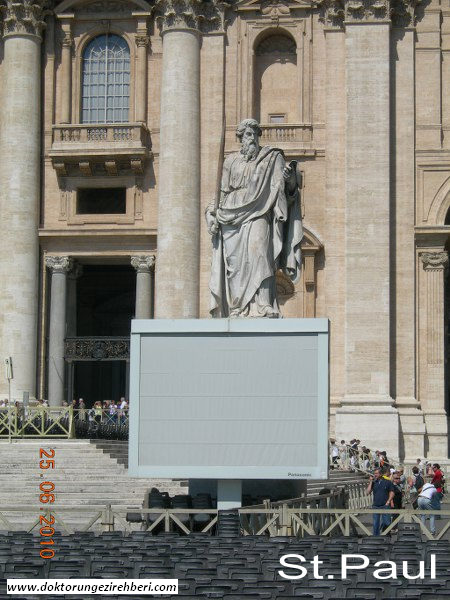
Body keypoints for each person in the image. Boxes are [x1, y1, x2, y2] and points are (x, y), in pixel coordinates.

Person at [205, 118, 303, 318]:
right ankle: (238, 308)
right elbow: (221, 193)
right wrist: (211, 214)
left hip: (260, 211)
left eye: (255, 134)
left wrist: (289, 179)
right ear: (240, 138)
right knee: (235, 265)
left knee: (260, 253)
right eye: (248, 134)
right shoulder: (230, 161)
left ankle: (263, 304)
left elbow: (287, 190)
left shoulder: (271, 158)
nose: (252, 138)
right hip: (231, 215)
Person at [366, 467, 395, 536]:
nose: (375, 475)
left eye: (376, 473)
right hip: (376, 505)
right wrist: (371, 482)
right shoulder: (374, 482)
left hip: (385, 505)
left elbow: (392, 492)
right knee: (375, 524)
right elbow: (367, 492)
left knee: (387, 522)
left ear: (381, 474)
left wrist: (388, 501)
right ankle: (376, 537)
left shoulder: (387, 482)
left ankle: (386, 536)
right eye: (374, 473)